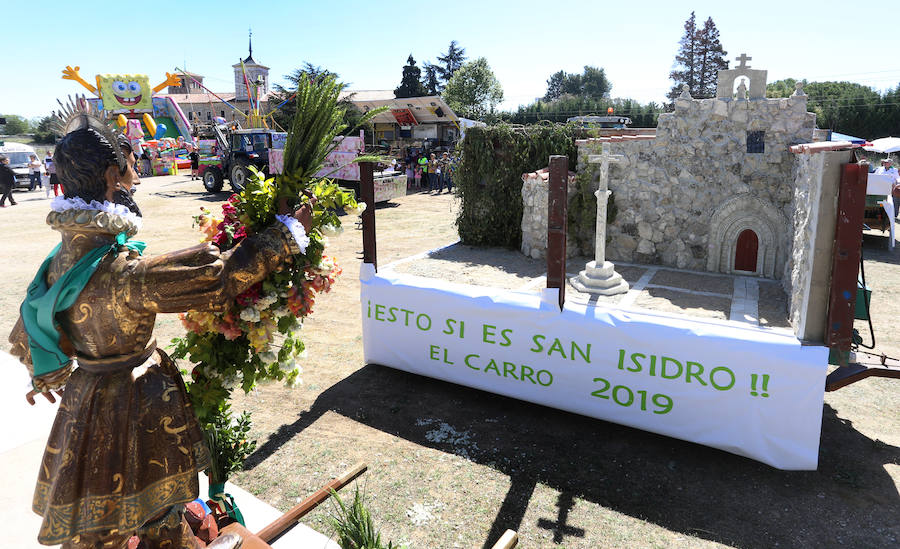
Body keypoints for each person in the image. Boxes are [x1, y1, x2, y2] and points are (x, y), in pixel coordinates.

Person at [8, 108, 312, 548]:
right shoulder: (124, 273)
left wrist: (47, 372)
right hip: (138, 399)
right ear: (113, 175)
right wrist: (283, 235)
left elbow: (29, 326)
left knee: (105, 514)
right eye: (127, 167)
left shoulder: (54, 267)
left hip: (85, 400)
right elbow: (220, 281)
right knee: (155, 514)